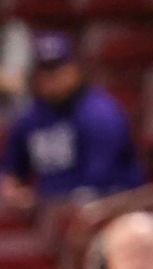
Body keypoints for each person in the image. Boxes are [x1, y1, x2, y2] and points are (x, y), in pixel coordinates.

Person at [2, 34, 143, 210]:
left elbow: (96, 184)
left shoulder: (100, 114)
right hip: (51, 211)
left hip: (110, 209)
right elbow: (11, 170)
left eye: (58, 68)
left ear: (75, 69)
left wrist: (38, 200)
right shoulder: (31, 117)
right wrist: (11, 189)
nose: (51, 78)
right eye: (44, 70)